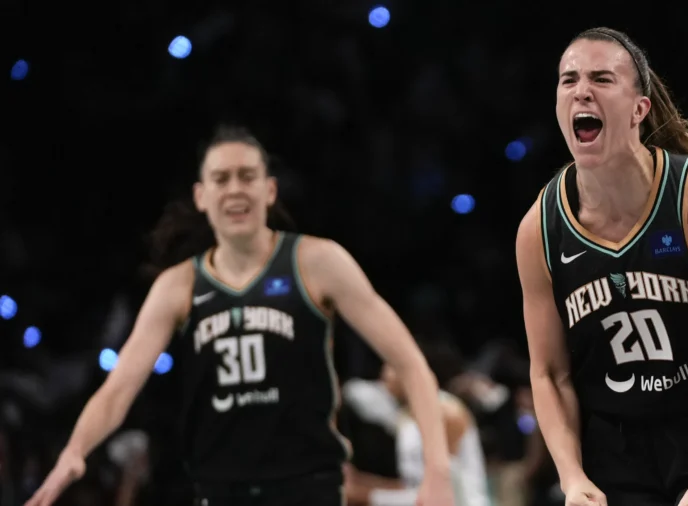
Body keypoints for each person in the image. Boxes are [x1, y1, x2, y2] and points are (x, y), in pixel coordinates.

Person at [25, 125, 456, 506]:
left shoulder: (317, 262)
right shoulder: (178, 286)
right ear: (201, 196)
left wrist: (437, 473)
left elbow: (411, 364)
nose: (235, 189)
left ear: (269, 190)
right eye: (221, 178)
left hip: (309, 489)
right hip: (220, 491)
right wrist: (75, 451)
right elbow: (117, 390)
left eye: (247, 176)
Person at [515, 28, 688, 506]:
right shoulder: (540, 229)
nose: (582, 90)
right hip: (616, 450)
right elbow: (549, 374)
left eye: (601, 78)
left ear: (639, 109)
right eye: (569, 79)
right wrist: (572, 476)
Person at [342, 341, 491, 506]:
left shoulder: (446, 412)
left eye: (391, 366)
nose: (384, 374)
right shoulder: (405, 415)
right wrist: (358, 482)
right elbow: (414, 486)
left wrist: (365, 495)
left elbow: (444, 491)